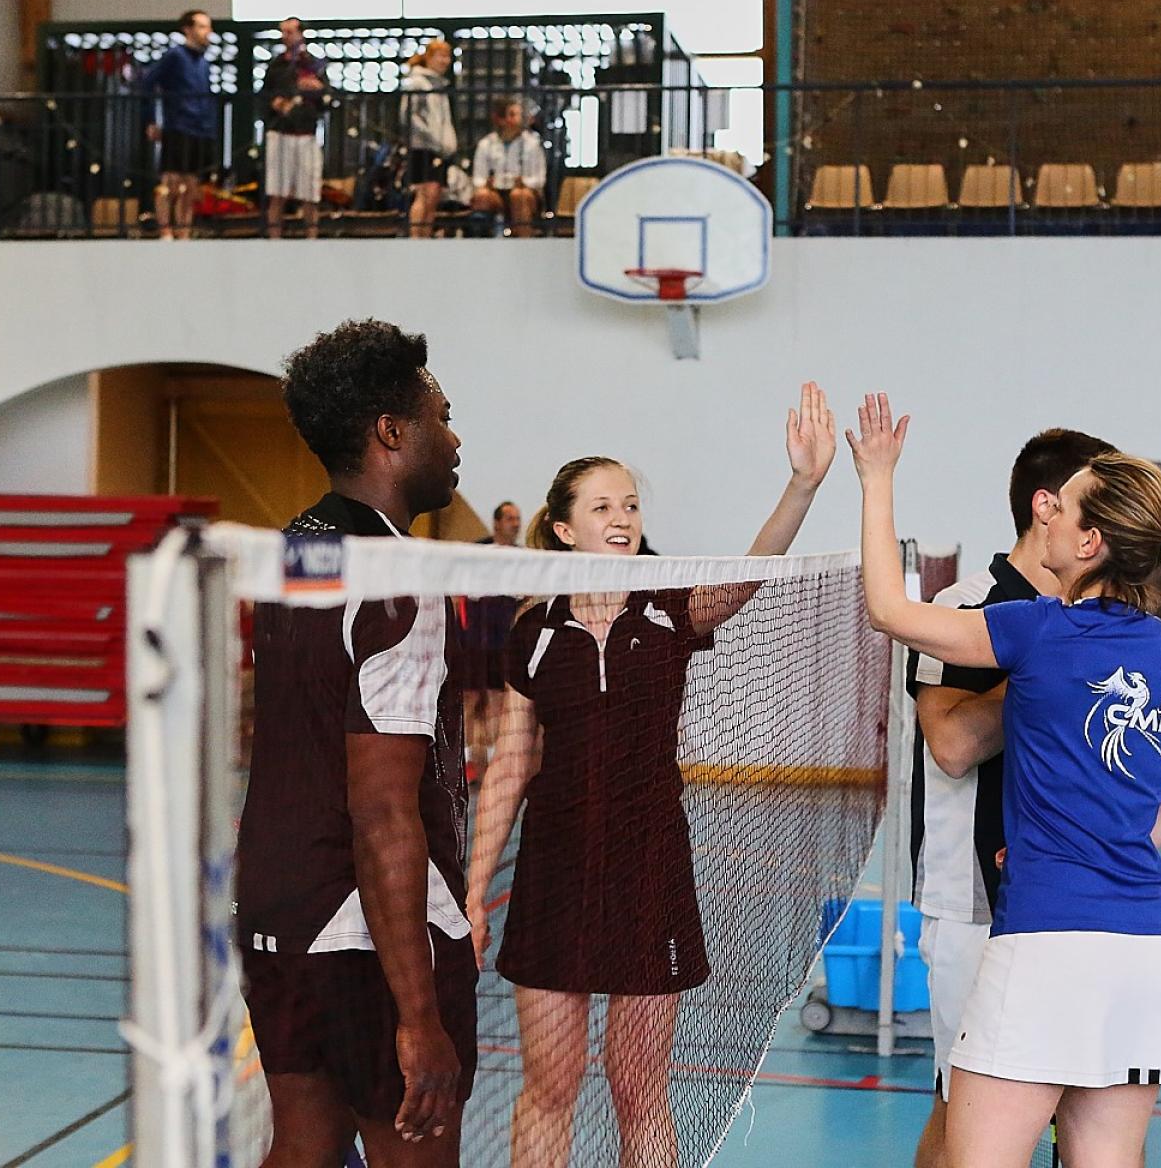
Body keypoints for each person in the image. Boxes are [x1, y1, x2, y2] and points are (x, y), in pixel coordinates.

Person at [465, 383, 839, 1168]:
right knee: (549, 1087)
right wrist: (472, 891)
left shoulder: (670, 607)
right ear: (564, 529)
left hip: (648, 873)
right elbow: (511, 763)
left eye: (630, 505)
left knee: (639, 1088)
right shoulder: (534, 631)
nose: (623, 518)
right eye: (602, 506)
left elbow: (748, 576)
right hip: (553, 879)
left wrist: (802, 485)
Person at [846, 393, 1161, 1168]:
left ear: (1089, 541)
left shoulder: (1037, 628)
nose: (1042, 518)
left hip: (1045, 948)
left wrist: (876, 479)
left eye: (1061, 510)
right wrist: (1100, 846)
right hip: (1147, 956)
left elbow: (886, 608)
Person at [235, 319, 474, 1167]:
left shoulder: (293, 549)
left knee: (304, 1145)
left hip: (277, 910)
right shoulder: (399, 578)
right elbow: (382, 811)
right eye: (443, 418)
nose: (455, 440)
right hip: (367, 932)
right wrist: (418, 1016)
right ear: (392, 433)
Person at [908, 428, 1115, 1168]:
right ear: (1048, 506)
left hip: (1076, 904)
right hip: (976, 903)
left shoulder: (1107, 617)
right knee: (964, 1112)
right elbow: (952, 744)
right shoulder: (964, 605)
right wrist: (1050, 660)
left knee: (1082, 1110)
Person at [456, 501, 524, 777]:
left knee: (498, 701)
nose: (515, 523)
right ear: (496, 522)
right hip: (474, 640)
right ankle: (464, 763)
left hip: (503, 643)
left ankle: (494, 766)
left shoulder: (524, 558)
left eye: (517, 518)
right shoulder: (477, 553)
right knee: (470, 699)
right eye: (510, 518)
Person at [140, 9, 219, 241]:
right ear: (188, 29)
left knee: (192, 185)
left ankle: (184, 230)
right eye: (202, 26)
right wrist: (150, 119)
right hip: (178, 125)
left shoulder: (203, 63)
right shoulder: (175, 56)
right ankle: (166, 229)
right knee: (171, 182)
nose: (207, 32)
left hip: (200, 128)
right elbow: (148, 82)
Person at [262, 17, 332, 240]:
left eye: (290, 32)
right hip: (281, 133)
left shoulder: (314, 65)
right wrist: (277, 104)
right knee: (277, 191)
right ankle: (275, 239)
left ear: (301, 34)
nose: (286, 37)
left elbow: (328, 100)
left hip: (307, 134)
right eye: (283, 32)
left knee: (310, 191)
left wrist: (317, 89)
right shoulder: (276, 66)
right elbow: (265, 97)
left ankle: (311, 237)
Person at [402, 40, 459, 239]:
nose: (445, 61)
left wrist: (448, 143)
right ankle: (416, 236)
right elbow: (410, 115)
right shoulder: (418, 83)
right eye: (440, 56)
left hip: (440, 148)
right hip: (423, 147)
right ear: (429, 57)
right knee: (425, 192)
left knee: (434, 194)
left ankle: (425, 235)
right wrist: (432, 138)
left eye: (447, 56)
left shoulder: (440, 85)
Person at [470, 99, 547, 237]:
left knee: (519, 196)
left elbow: (540, 179)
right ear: (500, 119)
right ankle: (481, 240)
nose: (516, 119)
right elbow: (478, 178)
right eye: (511, 114)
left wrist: (524, 182)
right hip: (495, 192)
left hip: (524, 191)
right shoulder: (486, 144)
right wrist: (486, 183)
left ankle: (524, 241)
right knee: (481, 196)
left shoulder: (532, 144)